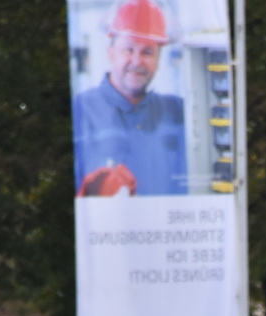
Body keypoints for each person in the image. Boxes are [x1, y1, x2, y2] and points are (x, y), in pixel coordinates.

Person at [74, 0, 188, 198]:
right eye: (128, 49)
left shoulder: (179, 111)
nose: (137, 62)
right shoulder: (80, 110)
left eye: (147, 52)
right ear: (111, 53)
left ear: (158, 60)